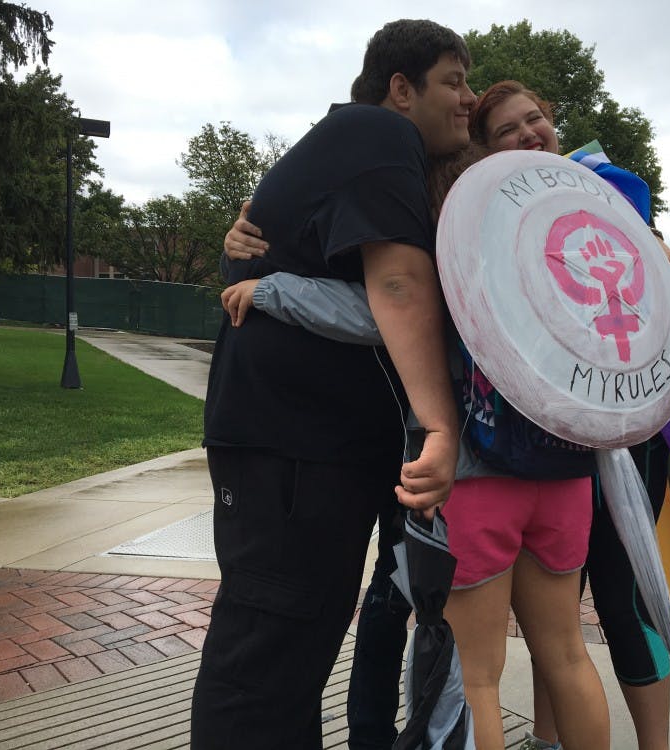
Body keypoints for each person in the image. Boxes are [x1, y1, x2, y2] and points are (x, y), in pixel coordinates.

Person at [225, 80, 670, 750]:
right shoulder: (576, 245)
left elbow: (379, 311)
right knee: (568, 659)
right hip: (565, 478)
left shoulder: (464, 244)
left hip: (476, 476)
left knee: (478, 681)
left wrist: (277, 290)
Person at [190, 20, 476, 749]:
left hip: (312, 451)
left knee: (293, 658)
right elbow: (398, 281)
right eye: (454, 81)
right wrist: (441, 426)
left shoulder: (364, 149)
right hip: (296, 447)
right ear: (400, 89)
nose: (467, 99)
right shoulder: (379, 137)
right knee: (264, 664)